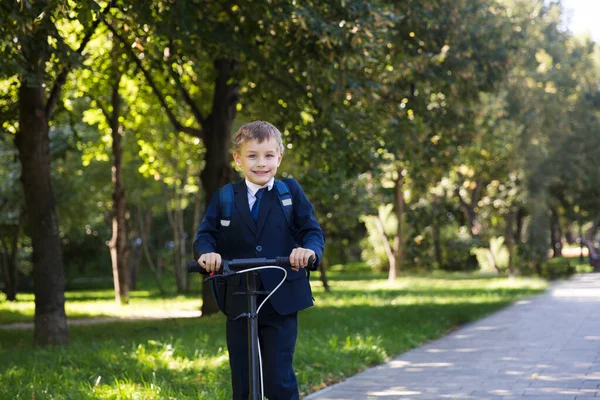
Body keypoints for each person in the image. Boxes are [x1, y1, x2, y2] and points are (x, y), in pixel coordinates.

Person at [193, 120, 325, 400]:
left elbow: (311, 231)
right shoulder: (226, 197)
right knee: (244, 380)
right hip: (239, 299)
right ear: (238, 159)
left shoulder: (289, 193)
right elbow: (206, 235)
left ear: (279, 157)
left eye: (268, 156)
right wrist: (207, 254)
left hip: (282, 297)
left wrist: (308, 252)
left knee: (279, 379)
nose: (261, 163)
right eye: (252, 156)